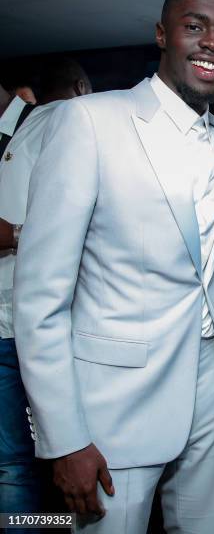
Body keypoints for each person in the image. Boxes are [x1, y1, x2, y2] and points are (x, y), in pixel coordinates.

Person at [13, 0, 214, 534]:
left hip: (211, 384)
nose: (213, 43)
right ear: (161, 34)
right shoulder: (89, 123)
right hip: (113, 402)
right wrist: (64, 437)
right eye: (195, 26)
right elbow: (40, 297)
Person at [0, 58, 91, 522]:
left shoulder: (39, 129)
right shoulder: (57, 125)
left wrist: (16, 234)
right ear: (79, 88)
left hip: (19, 323)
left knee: (16, 463)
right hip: (33, 324)